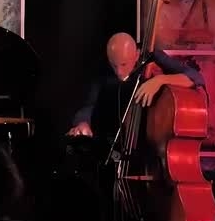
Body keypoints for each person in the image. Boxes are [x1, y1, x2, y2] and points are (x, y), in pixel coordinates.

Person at [66, 32, 205, 140]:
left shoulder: (152, 56)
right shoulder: (103, 67)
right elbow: (89, 104)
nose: (119, 72)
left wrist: (160, 80)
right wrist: (82, 123)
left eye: (124, 64)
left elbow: (196, 77)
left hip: (151, 137)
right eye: (114, 65)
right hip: (117, 138)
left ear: (137, 55)